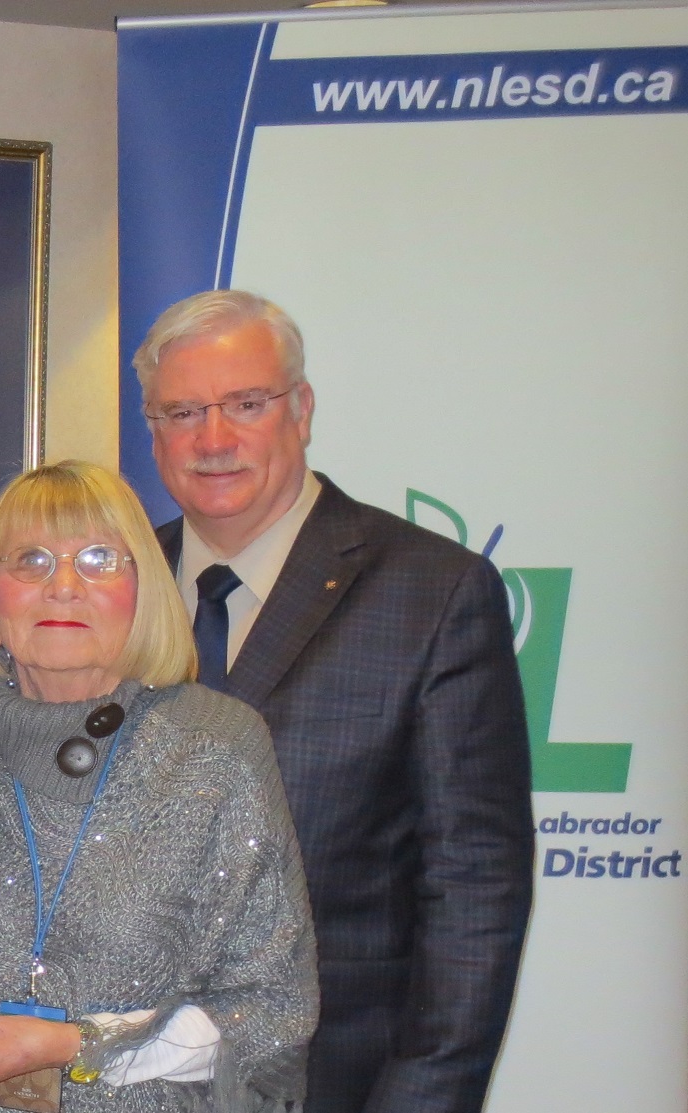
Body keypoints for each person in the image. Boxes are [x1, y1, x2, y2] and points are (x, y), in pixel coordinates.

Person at [134, 289, 532, 1113]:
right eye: (181, 412)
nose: (213, 439)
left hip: (336, 1084)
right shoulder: (112, 589)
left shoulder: (432, 592)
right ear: (152, 429)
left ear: (301, 408)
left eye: (246, 403)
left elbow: (473, 888)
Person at [0, 460, 317, 1113]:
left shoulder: (216, 746)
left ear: (143, 590)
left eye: (98, 558)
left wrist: (77, 1043)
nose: (62, 585)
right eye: (30, 560)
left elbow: (265, 1010)